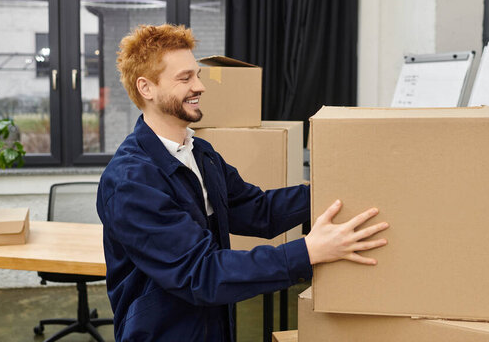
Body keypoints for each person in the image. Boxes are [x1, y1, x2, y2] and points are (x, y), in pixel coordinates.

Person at [96, 24, 389, 342]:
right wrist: (307, 251)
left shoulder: (200, 153)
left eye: (197, 75)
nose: (200, 86)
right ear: (146, 88)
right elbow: (201, 274)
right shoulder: (130, 183)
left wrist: (334, 192)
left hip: (213, 327)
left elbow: (258, 210)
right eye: (185, 78)